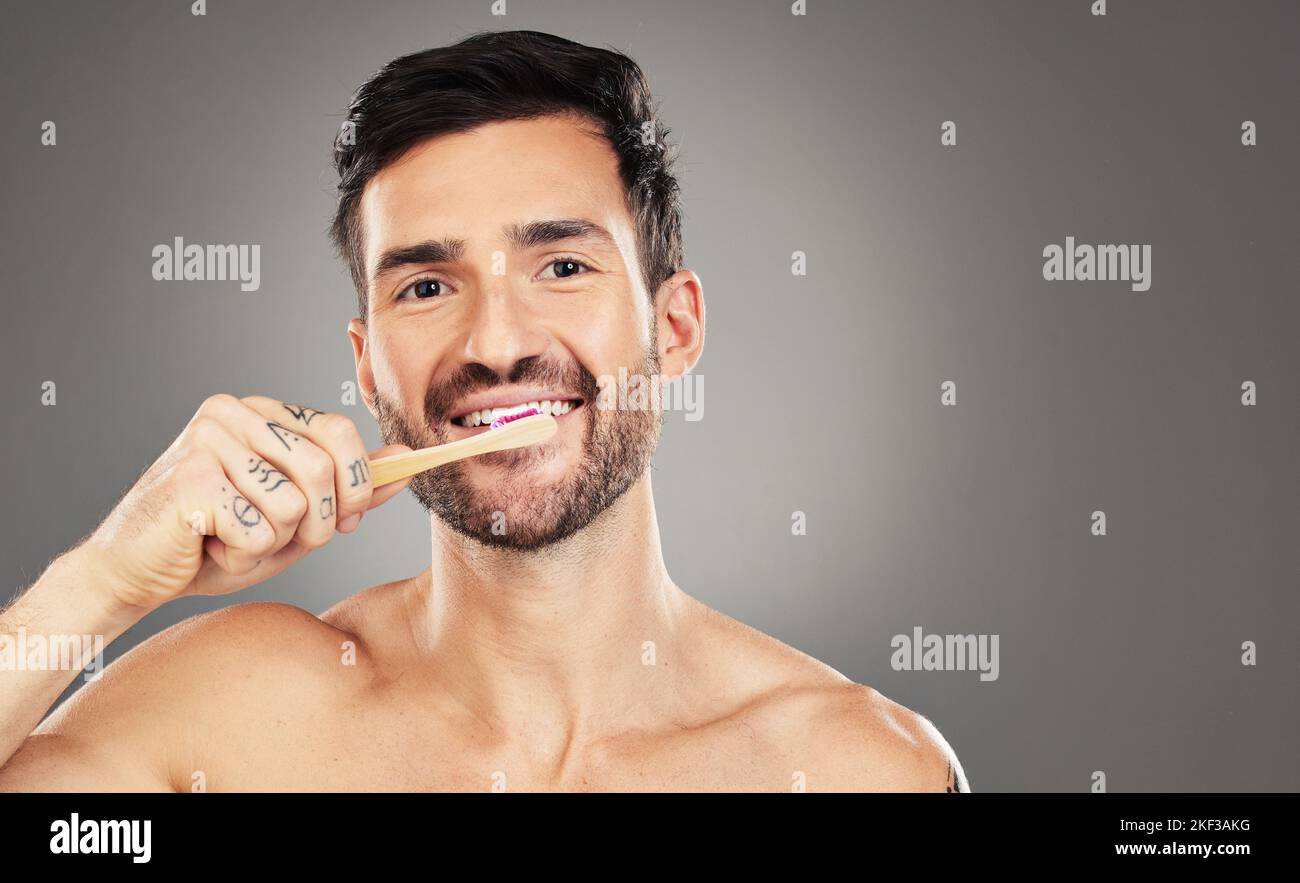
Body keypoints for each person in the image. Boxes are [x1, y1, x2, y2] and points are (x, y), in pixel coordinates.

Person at [0, 30, 969, 793]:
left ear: (672, 329)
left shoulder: (860, 767)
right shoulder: (222, 715)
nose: (496, 343)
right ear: (368, 364)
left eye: (561, 266)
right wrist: (99, 583)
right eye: (426, 286)